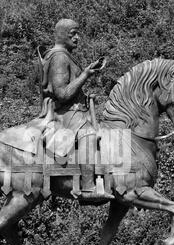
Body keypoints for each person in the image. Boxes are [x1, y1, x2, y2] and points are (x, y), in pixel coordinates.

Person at [38, 18, 111, 199]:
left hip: (75, 110)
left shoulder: (65, 55)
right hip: (64, 113)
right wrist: (85, 74)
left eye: (77, 34)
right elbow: (62, 94)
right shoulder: (59, 56)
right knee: (89, 134)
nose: (77, 38)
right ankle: (88, 188)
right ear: (62, 35)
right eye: (73, 34)